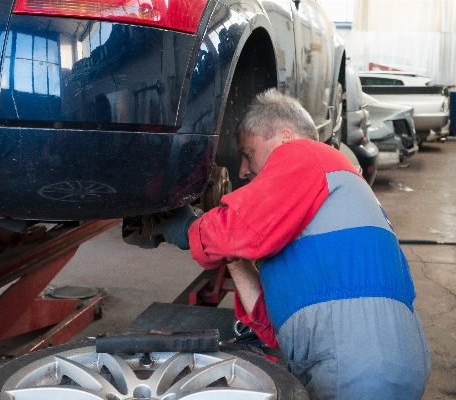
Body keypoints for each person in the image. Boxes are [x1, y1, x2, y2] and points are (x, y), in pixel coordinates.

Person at [156, 88, 431, 399]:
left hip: (358, 367)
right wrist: (231, 256)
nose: (244, 171)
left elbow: (237, 229)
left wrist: (191, 228)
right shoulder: (326, 198)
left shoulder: (307, 154)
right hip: (378, 363)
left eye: (248, 153)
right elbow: (273, 328)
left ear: (284, 138)